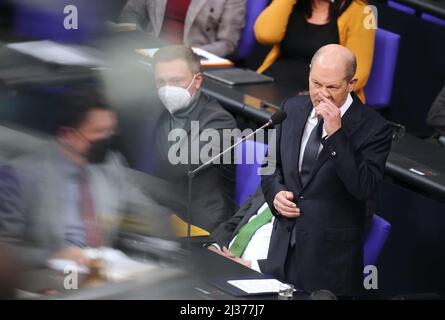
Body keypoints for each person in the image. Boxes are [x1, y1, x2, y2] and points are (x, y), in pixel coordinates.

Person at [260, 44, 392, 296]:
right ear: (309, 73)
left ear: (351, 83)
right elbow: (269, 166)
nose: (322, 94)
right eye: (316, 84)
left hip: (328, 267)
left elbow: (364, 187)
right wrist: (276, 194)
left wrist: (336, 134)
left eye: (332, 87)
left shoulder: (375, 128)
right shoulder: (292, 108)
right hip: (280, 254)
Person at [0, 93, 171, 267]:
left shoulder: (111, 165)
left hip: (100, 276)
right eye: (99, 132)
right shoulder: (22, 174)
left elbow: (146, 211)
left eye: (111, 130)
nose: (108, 139)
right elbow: (4, 251)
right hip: (49, 282)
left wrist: (183, 225)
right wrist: (50, 256)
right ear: (68, 135)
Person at [139, 45, 237, 232]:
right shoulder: (155, 107)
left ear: (197, 80)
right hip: (163, 205)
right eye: (161, 82)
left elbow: (179, 166)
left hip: (202, 216)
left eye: (176, 81)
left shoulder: (219, 121)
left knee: (124, 178)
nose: (168, 89)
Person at [254, 0, 375, 101]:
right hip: (272, 83)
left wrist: (318, 94)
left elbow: (359, 72)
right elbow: (265, 35)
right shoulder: (294, 3)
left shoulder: (364, 12)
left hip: (320, 96)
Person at [118, 0, 246, 57]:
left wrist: (188, 54)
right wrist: (139, 39)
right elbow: (130, 13)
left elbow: (227, 43)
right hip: (147, 53)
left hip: (191, 63)